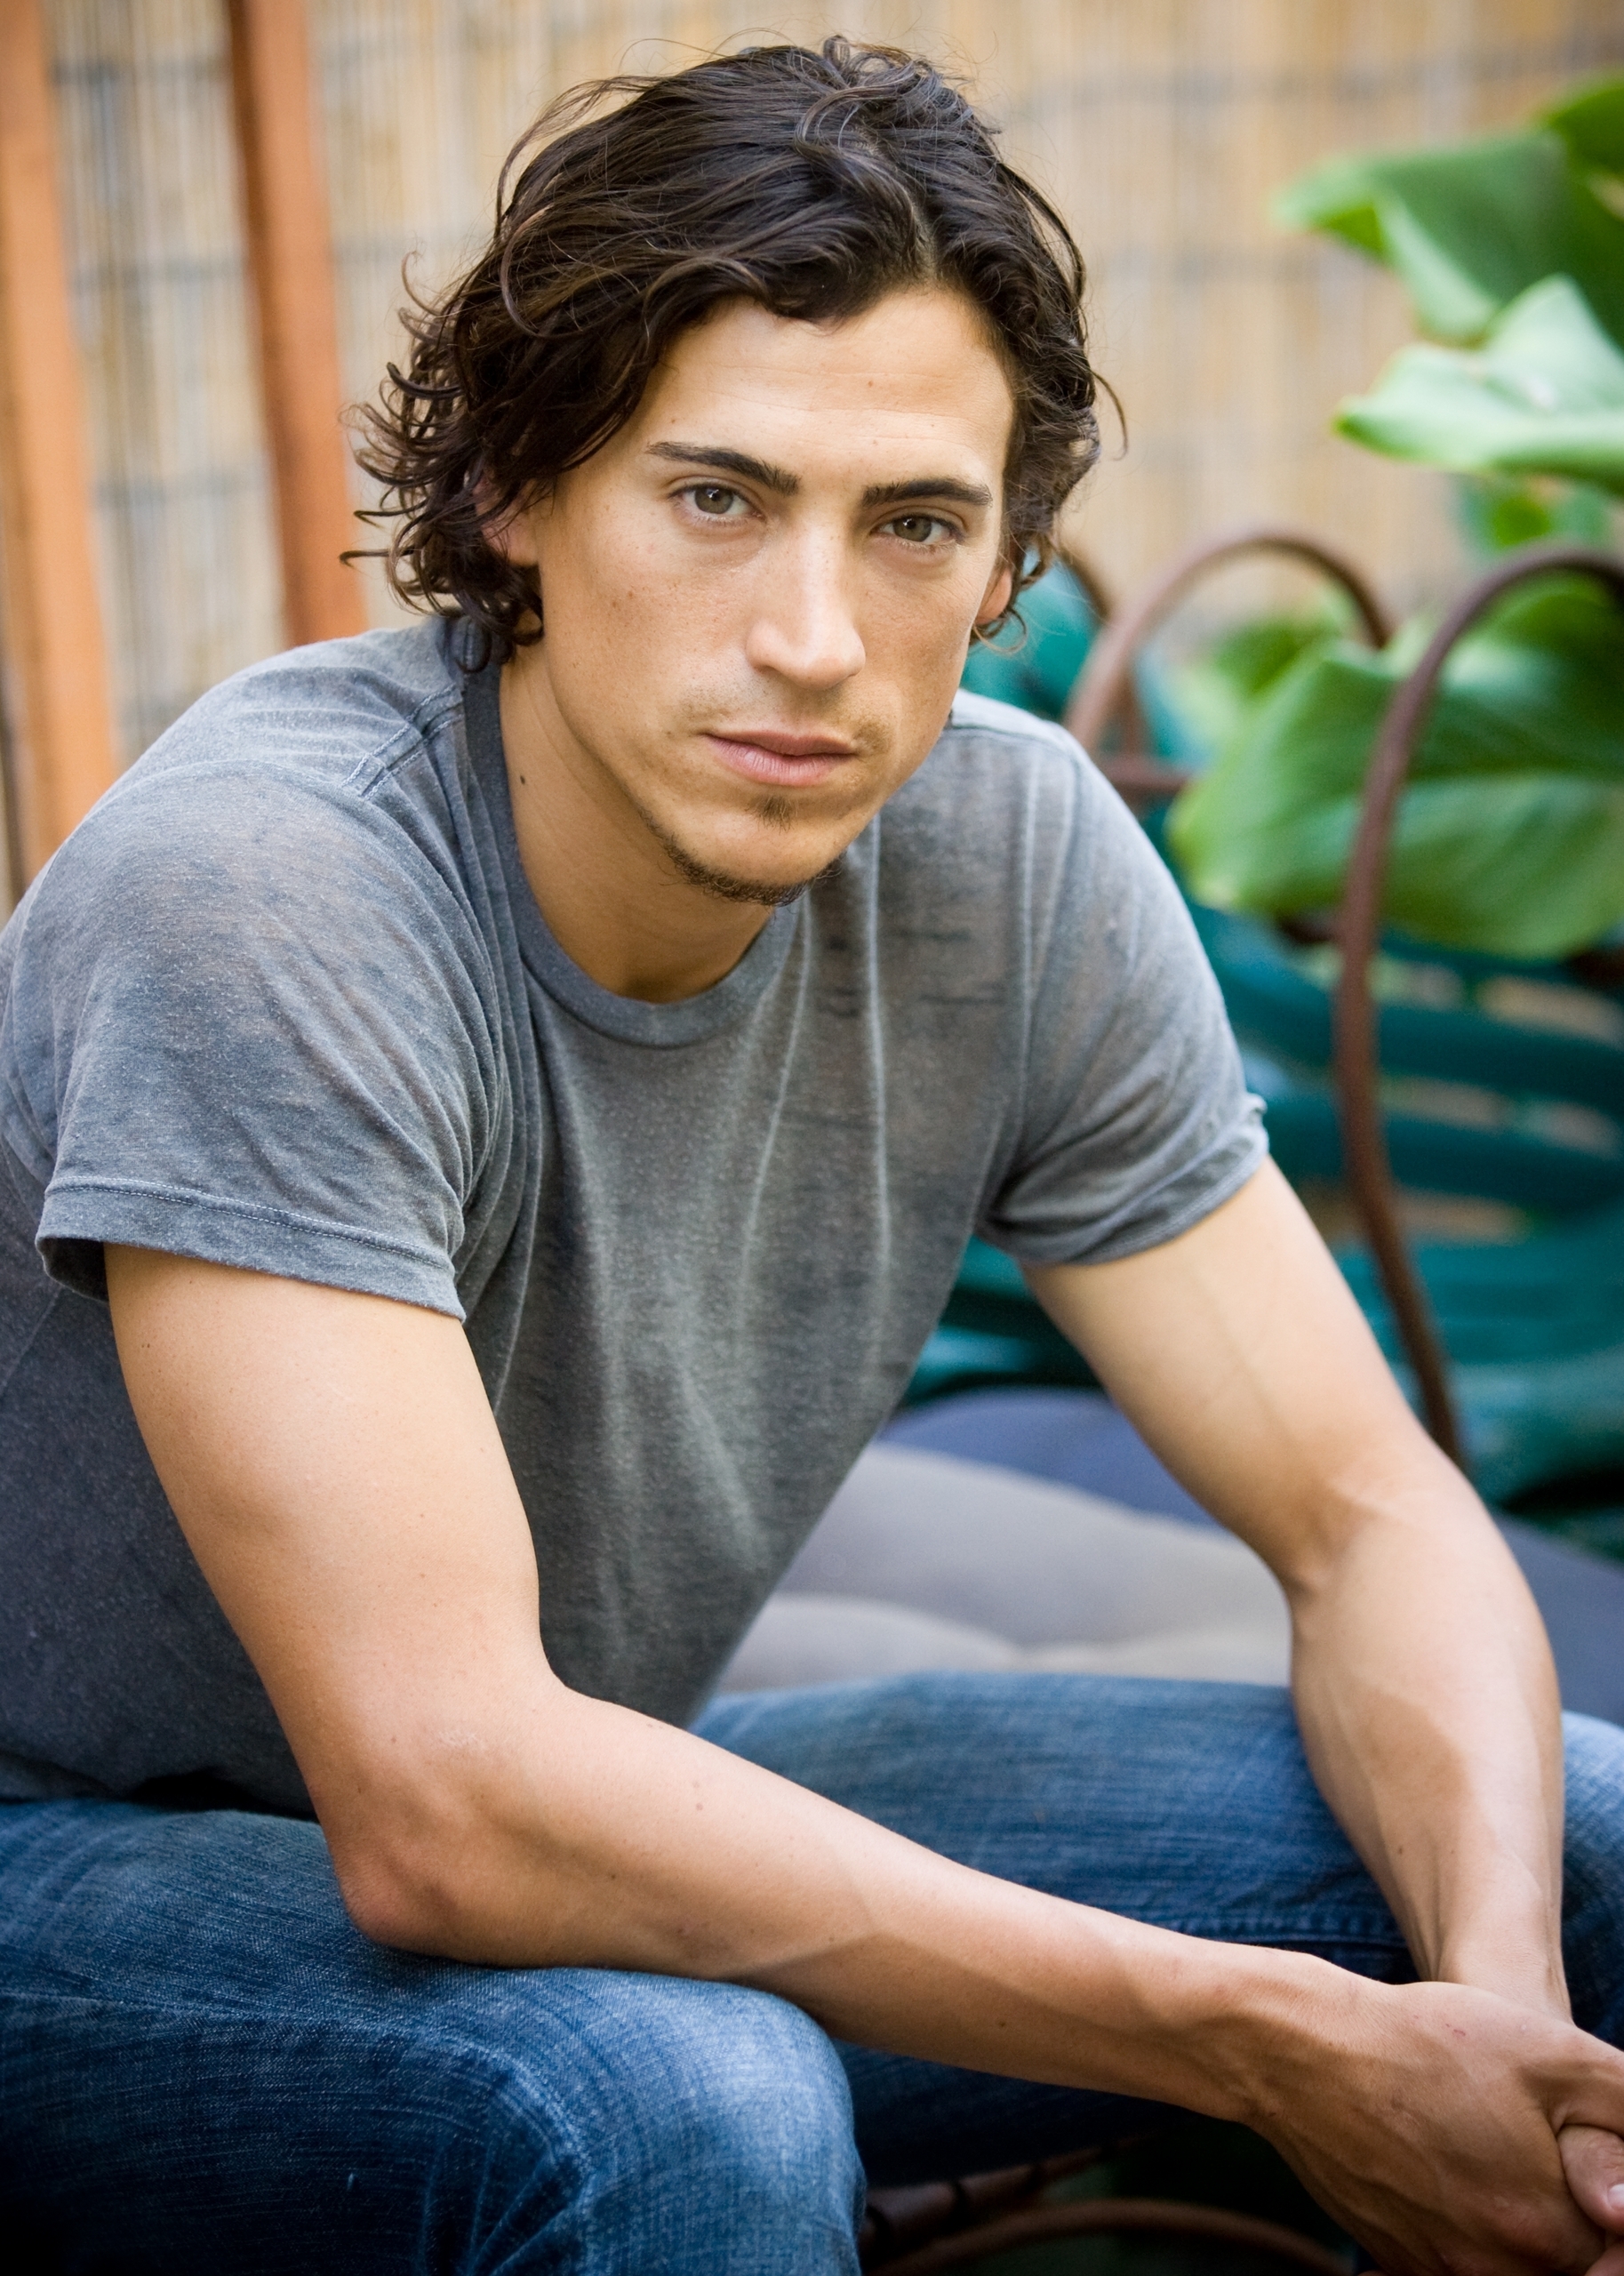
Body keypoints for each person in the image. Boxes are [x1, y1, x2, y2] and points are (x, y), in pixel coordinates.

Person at [1, 36, 1621, 2276]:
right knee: (682, 2087)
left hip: (571, 1771)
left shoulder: (1007, 865)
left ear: (1000, 561)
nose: (810, 638)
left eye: (912, 527)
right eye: (714, 496)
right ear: (515, 491)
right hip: (61, 1865)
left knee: (1575, 1829)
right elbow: (447, 1801)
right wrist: (1266, 2041)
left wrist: (1486, 2018)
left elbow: (1363, 1515)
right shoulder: (273, 895)